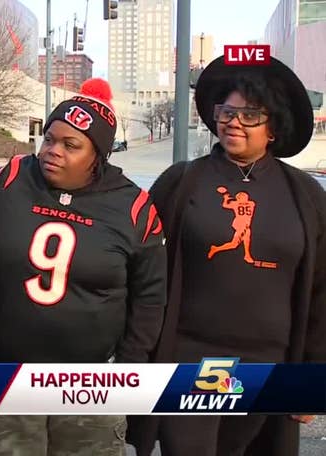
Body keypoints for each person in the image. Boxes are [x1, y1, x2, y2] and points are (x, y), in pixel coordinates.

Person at [127, 56, 326, 456]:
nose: (234, 122)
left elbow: (323, 289)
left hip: (271, 366)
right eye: (227, 111)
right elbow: (141, 269)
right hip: (190, 361)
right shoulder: (182, 182)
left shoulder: (306, 195)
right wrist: (136, 355)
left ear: (274, 127)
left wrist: (313, 374)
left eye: (249, 115)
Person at [0, 78, 167, 456]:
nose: (52, 151)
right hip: (9, 372)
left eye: (70, 145)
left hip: (90, 380)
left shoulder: (134, 208)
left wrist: (126, 369)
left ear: (98, 155)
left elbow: (150, 297)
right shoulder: (10, 178)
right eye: (49, 139)